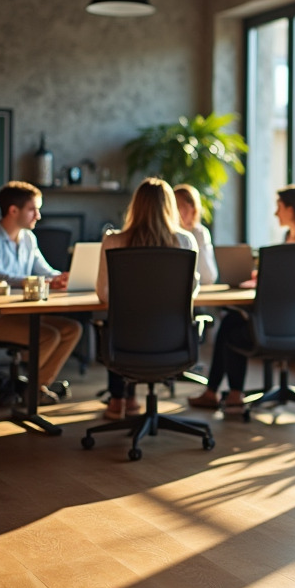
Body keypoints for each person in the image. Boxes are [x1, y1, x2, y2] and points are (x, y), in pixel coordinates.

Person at [187, 185, 295, 412]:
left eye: (279, 207)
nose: (275, 213)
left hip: (281, 324)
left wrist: (265, 279)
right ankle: (226, 393)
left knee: (231, 326)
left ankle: (223, 393)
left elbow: (291, 284)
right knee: (233, 321)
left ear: (291, 210)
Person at [96, 177, 198, 420]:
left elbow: (103, 295)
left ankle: (119, 398)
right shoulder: (185, 241)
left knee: (118, 321)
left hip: (125, 343)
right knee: (138, 322)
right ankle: (127, 398)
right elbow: (191, 292)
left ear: (136, 206)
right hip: (173, 340)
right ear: (169, 207)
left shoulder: (113, 241)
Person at [0, 181, 80, 405]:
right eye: (33, 209)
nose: (38, 216)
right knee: (49, 335)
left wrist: (62, 277)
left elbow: (46, 271)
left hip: (25, 313)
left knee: (72, 329)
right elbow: (0, 278)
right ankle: (34, 390)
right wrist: (47, 281)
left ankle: (35, 387)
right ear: (13, 210)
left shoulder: (29, 238)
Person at [173, 183, 218, 286]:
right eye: (174, 207)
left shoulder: (199, 233)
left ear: (193, 208)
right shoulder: (168, 234)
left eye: (181, 206)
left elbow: (208, 277)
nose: (178, 212)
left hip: (199, 291)